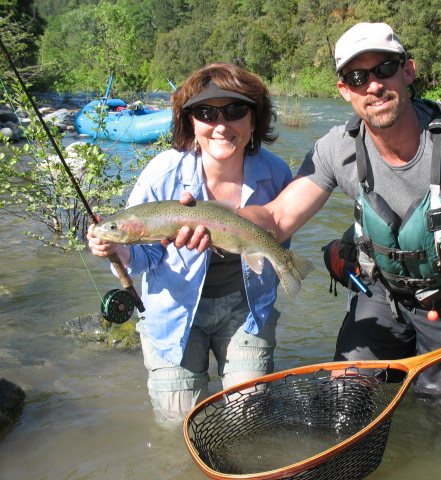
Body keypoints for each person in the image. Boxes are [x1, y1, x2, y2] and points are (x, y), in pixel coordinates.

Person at [176, 23, 441, 403]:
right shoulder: (336, 149)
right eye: (357, 77)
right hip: (383, 290)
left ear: (407, 71)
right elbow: (274, 218)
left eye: (384, 69)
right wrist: (215, 220)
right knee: (344, 394)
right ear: (344, 90)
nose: (372, 86)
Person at [86, 62, 293, 421]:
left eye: (234, 110)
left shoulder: (276, 172)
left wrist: (274, 258)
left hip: (246, 309)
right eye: (205, 112)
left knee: (249, 414)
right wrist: (115, 247)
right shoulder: (162, 174)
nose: (221, 124)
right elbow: (144, 256)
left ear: (254, 120)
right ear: (190, 122)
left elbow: (279, 237)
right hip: (174, 310)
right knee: (179, 423)